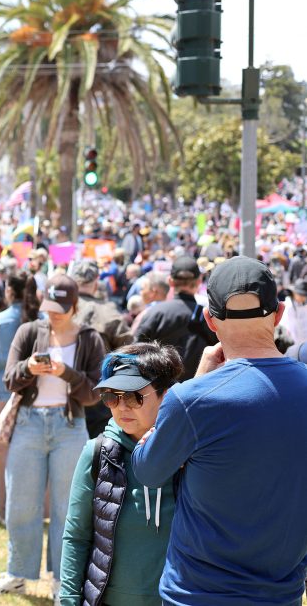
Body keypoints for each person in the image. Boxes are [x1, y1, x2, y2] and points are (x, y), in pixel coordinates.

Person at [132, 256, 307, 604]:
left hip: (197, 592)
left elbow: (148, 471)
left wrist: (197, 384)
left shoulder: (191, 399)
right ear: (280, 313)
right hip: (279, 591)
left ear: (210, 320)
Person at [0, 274, 105, 600]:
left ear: (75, 306)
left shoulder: (89, 338)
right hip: (28, 423)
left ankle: (63, 578)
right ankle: (17, 572)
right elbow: (8, 378)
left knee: (68, 507)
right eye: (50, 307)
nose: (54, 314)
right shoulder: (29, 331)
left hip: (69, 425)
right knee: (21, 503)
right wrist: (29, 369)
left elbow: (95, 393)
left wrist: (66, 373)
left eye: (61, 308)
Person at [59, 342, 184, 606]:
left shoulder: (189, 456)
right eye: (111, 396)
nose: (121, 407)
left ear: (167, 395)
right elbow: (77, 536)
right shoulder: (96, 453)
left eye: (134, 396)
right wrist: (69, 600)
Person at [0, 269, 39, 522]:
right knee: (38, 456)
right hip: (39, 394)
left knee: (5, 459)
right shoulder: (44, 319)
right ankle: (38, 510)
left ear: (9, 291)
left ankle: (6, 512)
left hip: (3, 395)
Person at [68, 260, 134, 437]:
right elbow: (129, 351)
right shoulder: (108, 312)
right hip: (99, 394)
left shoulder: (61, 309)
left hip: (64, 391)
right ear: (96, 282)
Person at [135, 257, 217, 381]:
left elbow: (135, 354)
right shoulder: (207, 316)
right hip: (199, 390)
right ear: (199, 281)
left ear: (170, 281)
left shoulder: (154, 313)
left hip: (161, 392)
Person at [279, 278, 307, 344]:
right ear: (295, 293)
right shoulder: (288, 305)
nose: (304, 298)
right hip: (291, 342)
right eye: (301, 295)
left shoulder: (302, 305)